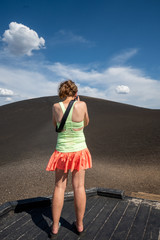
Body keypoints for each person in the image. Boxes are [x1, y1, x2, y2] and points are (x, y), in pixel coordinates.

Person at [46, 80, 92, 237]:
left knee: (59, 187)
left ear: (62, 92)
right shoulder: (83, 105)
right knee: (79, 187)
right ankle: (79, 225)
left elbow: (56, 126)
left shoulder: (56, 107)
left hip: (62, 152)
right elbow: (86, 122)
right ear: (75, 93)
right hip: (79, 151)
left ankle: (54, 227)